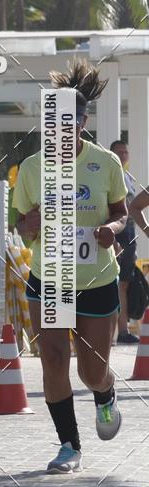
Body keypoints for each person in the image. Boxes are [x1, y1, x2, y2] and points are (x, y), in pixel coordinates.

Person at [14, 60, 127, 474]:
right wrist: (30, 223)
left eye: (68, 122)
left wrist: (110, 230)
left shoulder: (105, 163)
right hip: (50, 278)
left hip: (97, 278)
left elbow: (121, 213)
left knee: (91, 369)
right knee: (54, 359)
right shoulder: (31, 167)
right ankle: (68, 445)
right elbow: (21, 225)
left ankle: (105, 393)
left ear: (83, 121)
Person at [110, 140, 139, 344]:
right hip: (117, 234)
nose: (123, 156)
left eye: (125, 152)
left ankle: (122, 329)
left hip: (129, 234)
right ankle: (116, 331)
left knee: (125, 283)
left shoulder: (128, 177)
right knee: (115, 283)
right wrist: (112, 239)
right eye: (118, 152)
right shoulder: (109, 175)